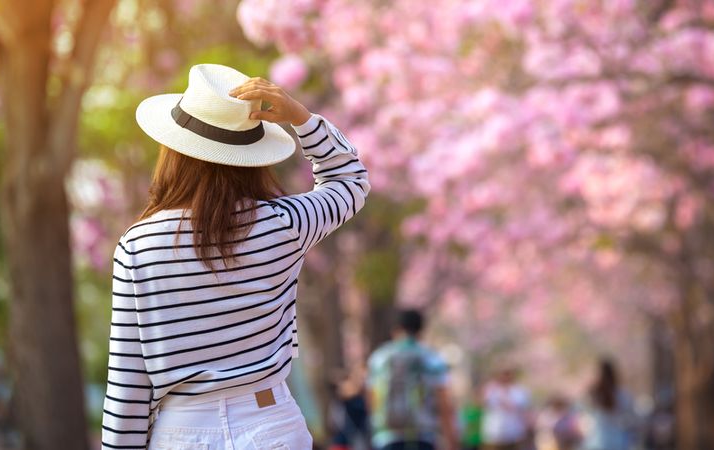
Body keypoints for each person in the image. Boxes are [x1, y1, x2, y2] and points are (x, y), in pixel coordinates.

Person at [100, 64, 370, 450]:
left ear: (174, 152)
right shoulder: (284, 225)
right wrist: (301, 118)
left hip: (181, 431)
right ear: (252, 156)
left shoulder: (138, 245)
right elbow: (350, 180)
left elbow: (128, 384)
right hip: (271, 423)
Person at [366, 309, 458, 450]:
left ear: (396, 329)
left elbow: (372, 400)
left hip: (387, 437)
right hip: (423, 436)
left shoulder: (379, 358)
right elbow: (443, 404)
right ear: (421, 331)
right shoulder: (431, 358)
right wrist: (452, 440)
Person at [577, 359, 638, 450]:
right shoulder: (622, 394)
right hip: (617, 441)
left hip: (598, 440)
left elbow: (584, 411)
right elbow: (631, 418)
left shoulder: (595, 394)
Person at [481, 369, 531, 450]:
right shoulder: (491, 389)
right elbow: (484, 404)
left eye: (507, 374)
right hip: (494, 434)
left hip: (513, 433)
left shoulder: (519, 391)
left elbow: (520, 408)